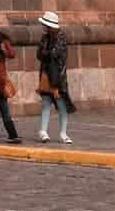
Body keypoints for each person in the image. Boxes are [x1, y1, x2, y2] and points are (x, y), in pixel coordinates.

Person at [35, 11, 74, 145]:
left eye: (45, 25)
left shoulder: (61, 38)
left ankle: (63, 133)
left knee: (62, 106)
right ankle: (43, 131)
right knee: (46, 104)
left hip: (58, 78)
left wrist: (48, 53)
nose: (43, 27)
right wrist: (48, 53)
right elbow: (40, 54)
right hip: (46, 76)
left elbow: (56, 54)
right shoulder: (44, 38)